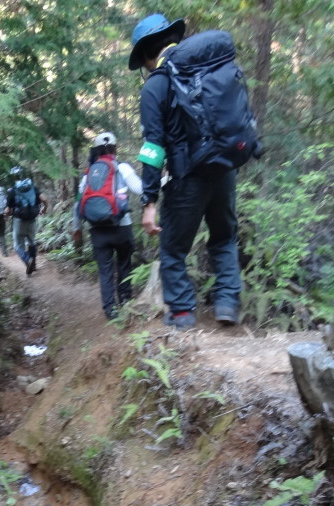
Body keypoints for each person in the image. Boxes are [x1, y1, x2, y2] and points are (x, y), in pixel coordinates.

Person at [129, 13, 243, 330]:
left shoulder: (155, 86)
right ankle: (227, 303)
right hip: (223, 168)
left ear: (145, 55)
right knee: (223, 238)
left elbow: (153, 148)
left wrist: (149, 202)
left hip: (187, 177)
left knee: (172, 250)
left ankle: (181, 314)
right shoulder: (209, 70)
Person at [72, 131, 143, 320]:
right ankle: (126, 302)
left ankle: (110, 310)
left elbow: (78, 203)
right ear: (115, 148)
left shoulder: (89, 173)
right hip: (121, 226)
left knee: (105, 270)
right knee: (124, 265)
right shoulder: (122, 167)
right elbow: (139, 188)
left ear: (95, 150)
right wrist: (164, 180)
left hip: (97, 231)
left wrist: (76, 228)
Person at [6, 166, 47, 276]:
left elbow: (8, 210)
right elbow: (44, 199)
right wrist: (44, 208)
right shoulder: (33, 187)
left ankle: (27, 259)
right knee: (32, 242)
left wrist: (6, 215)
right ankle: (33, 265)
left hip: (19, 221)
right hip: (32, 220)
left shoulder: (12, 190)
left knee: (18, 245)